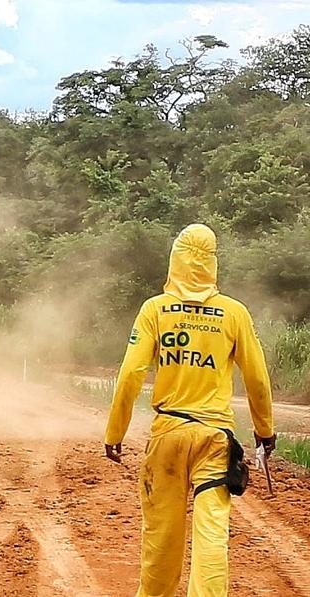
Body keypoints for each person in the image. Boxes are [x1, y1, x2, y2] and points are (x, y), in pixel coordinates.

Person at [104, 223, 275, 596]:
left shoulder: (155, 310)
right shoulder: (234, 313)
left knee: (160, 541)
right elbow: (258, 380)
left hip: (167, 436)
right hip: (213, 441)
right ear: (212, 262)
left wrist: (115, 432)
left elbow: (130, 375)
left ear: (175, 259)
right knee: (212, 535)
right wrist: (265, 431)